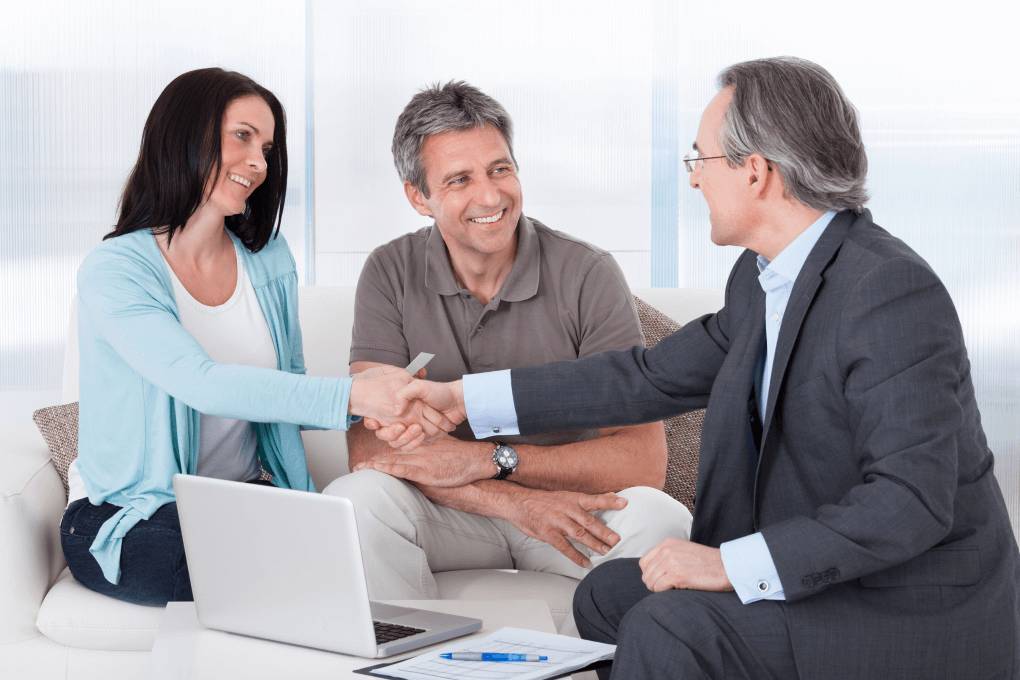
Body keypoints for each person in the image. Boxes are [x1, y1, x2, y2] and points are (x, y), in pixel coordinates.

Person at [390, 58, 1020, 678]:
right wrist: (463, 399)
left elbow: (909, 503)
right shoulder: (762, 276)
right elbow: (648, 378)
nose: (693, 181)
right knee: (610, 596)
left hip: (907, 608)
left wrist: (728, 566)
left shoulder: (887, 291)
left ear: (756, 172)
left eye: (701, 159)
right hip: (833, 585)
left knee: (671, 624)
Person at [61, 68, 449, 607]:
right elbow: (201, 383)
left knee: (341, 550)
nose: (259, 163)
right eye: (242, 136)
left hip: (243, 498)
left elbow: (284, 389)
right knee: (216, 571)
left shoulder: (267, 257)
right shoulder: (116, 270)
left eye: (266, 147)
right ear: (184, 134)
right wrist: (353, 397)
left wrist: (380, 402)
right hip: (134, 512)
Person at [322, 81, 692, 606]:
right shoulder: (389, 271)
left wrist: (498, 461)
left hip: (569, 507)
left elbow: (644, 459)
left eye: (500, 169)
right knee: (354, 501)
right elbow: (371, 448)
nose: (491, 196)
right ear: (418, 196)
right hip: (453, 509)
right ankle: (411, 658)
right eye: (459, 180)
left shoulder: (588, 272)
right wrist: (511, 503)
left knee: (664, 519)